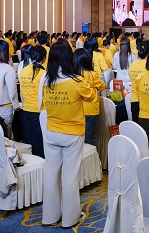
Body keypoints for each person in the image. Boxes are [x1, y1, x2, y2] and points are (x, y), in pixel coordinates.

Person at [39, 41, 95, 228]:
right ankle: (70, 218)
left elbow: (41, 104)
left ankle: (49, 216)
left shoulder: (46, 80)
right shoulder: (76, 81)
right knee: (70, 177)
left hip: (52, 132)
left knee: (51, 174)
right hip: (72, 134)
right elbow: (92, 97)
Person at [74, 48, 106, 146]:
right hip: (91, 110)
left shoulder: (73, 76)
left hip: (76, 110)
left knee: (77, 139)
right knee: (90, 140)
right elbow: (102, 87)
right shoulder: (93, 74)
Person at [19, 45, 47, 158]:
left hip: (25, 108)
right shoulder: (43, 73)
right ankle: (39, 162)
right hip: (39, 110)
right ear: (44, 58)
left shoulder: (23, 71)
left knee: (29, 138)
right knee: (38, 140)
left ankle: (29, 160)